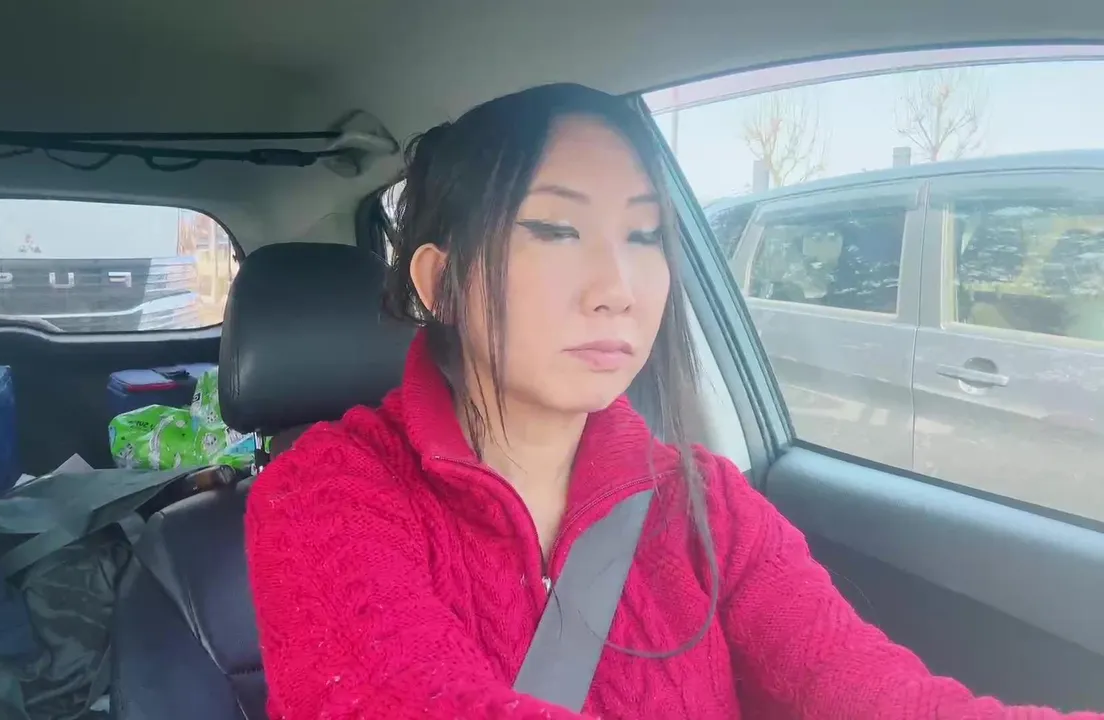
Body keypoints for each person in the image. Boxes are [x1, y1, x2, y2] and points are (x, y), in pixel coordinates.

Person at [244, 83, 1102, 719]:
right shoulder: (324, 500)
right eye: (556, 229)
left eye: (646, 234)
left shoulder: (705, 506)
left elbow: (886, 699)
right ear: (441, 283)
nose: (618, 287)